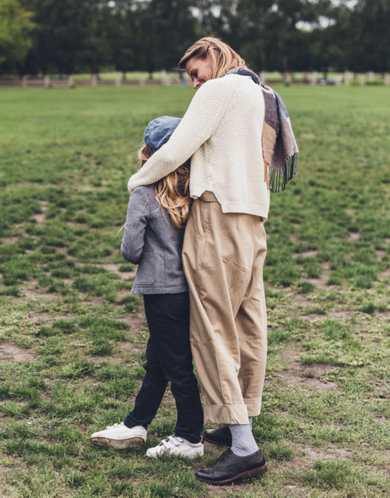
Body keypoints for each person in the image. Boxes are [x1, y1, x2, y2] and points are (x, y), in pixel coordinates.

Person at [127, 37, 298, 485]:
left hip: (216, 217)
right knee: (247, 322)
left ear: (215, 54)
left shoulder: (218, 90)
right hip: (253, 220)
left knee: (211, 326)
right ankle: (239, 419)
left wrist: (135, 181)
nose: (194, 80)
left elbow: (173, 150)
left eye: (196, 70)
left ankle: (243, 447)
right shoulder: (261, 93)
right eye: (190, 76)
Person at [90, 116, 204, 459]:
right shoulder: (195, 189)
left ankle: (190, 438)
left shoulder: (143, 193)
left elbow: (131, 251)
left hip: (160, 291)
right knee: (158, 359)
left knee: (177, 365)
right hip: (189, 290)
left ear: (148, 154)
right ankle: (136, 422)